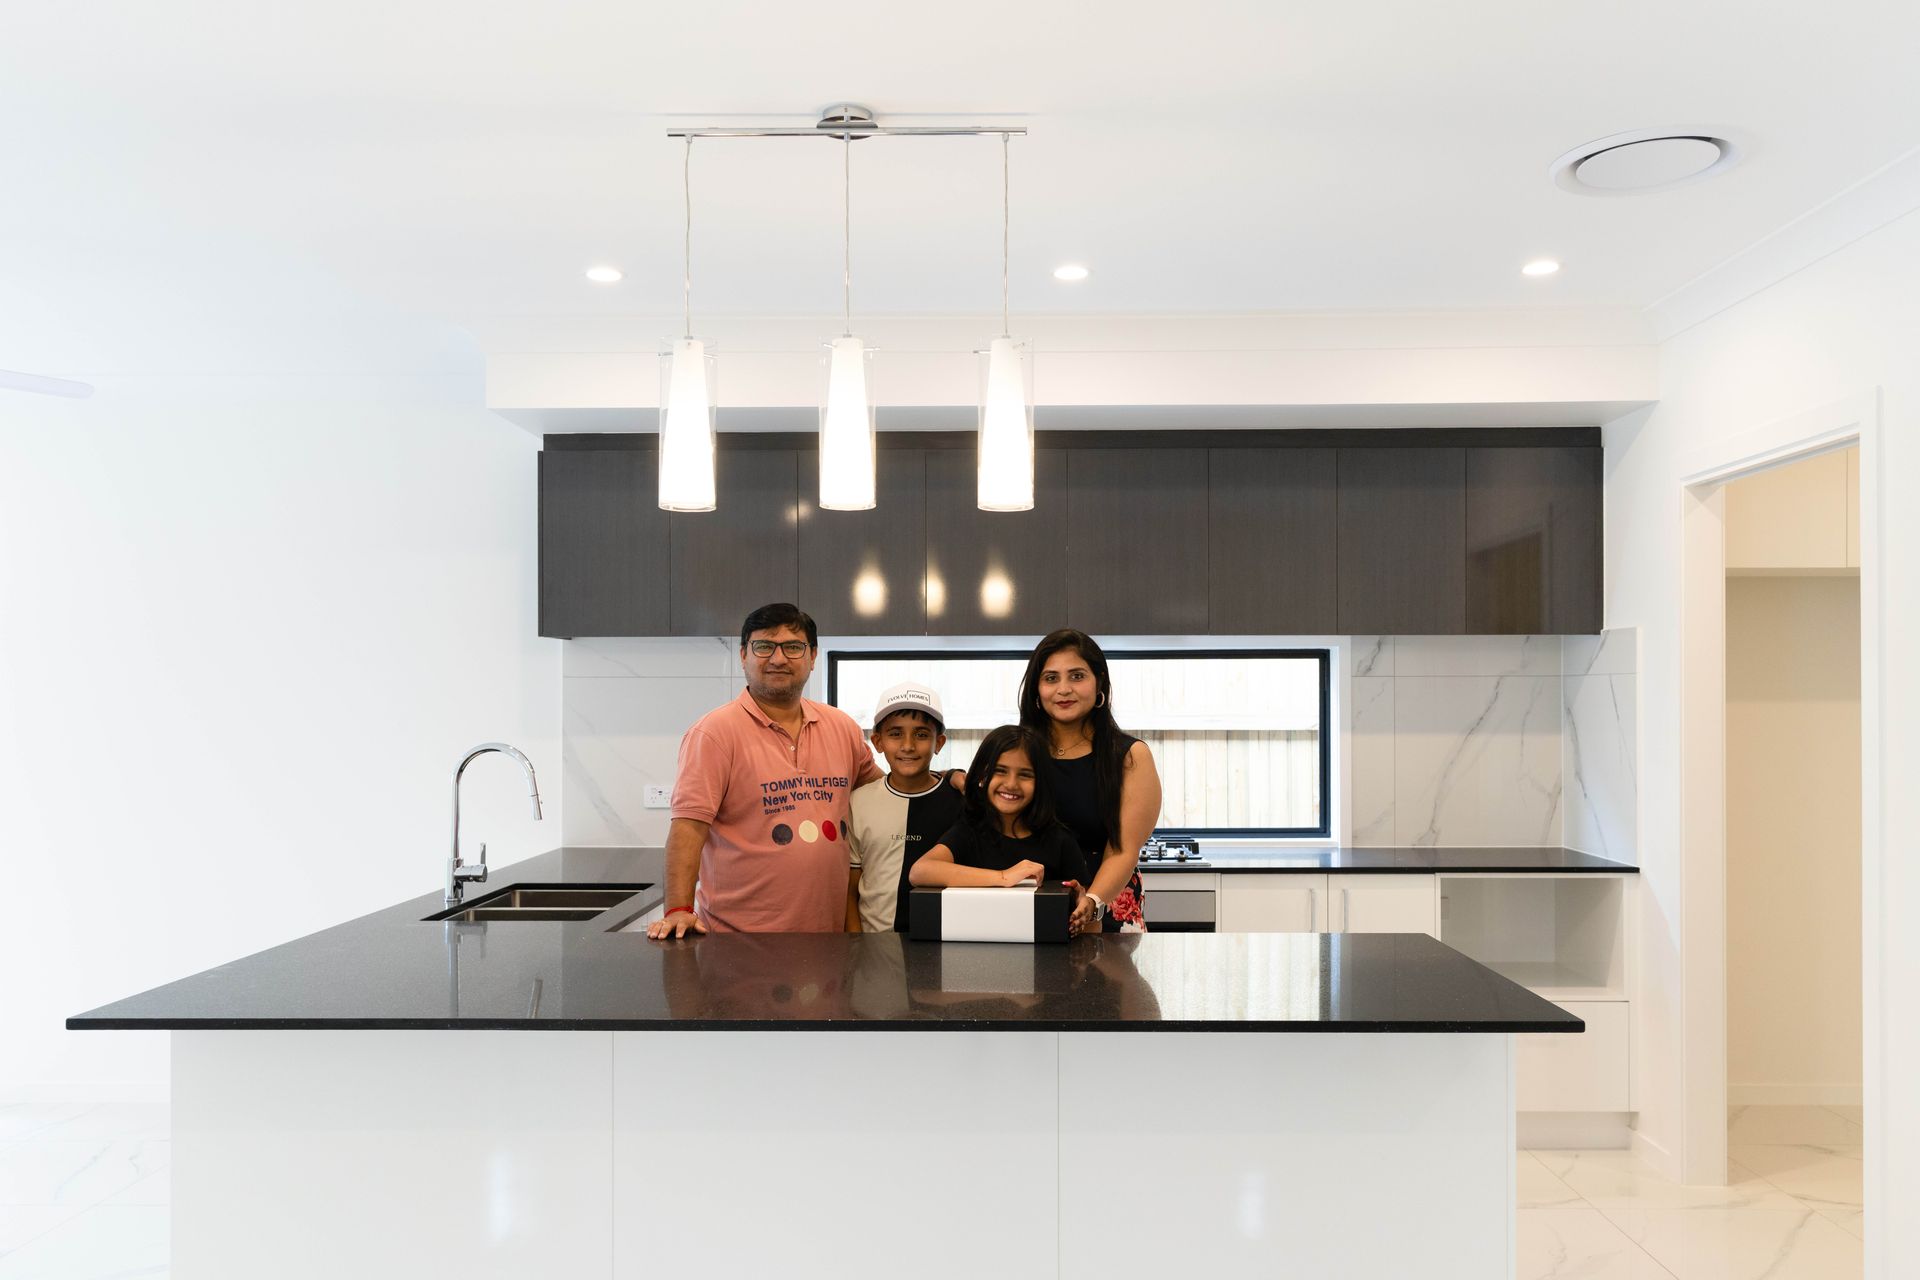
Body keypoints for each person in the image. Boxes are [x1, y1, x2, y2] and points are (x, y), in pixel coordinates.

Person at [646, 603, 881, 938]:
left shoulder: (841, 727)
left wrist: (950, 780)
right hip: (737, 941)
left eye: (793, 647)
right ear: (744, 655)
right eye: (764, 646)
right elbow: (688, 830)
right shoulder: (714, 733)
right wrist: (679, 910)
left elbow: (884, 793)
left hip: (828, 938)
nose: (779, 658)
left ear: (813, 657)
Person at [1018, 629, 1161, 934]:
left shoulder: (1130, 756)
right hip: (1030, 906)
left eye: (1077, 676)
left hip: (1106, 907)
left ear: (1099, 685)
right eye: (1051, 678)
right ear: (1036, 691)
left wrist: (1093, 901)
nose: (1064, 689)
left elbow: (1123, 849)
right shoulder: (1020, 754)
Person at [844, 682, 967, 932]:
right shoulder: (858, 802)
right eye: (895, 734)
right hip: (875, 946)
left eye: (921, 735)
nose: (908, 746)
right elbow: (850, 891)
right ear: (877, 741)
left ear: (939, 742)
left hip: (946, 942)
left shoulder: (961, 802)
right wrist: (857, 947)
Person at [908, 724, 1090, 891]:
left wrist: (1085, 909)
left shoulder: (1060, 842)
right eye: (999, 771)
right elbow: (919, 872)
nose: (1011, 784)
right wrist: (1003, 877)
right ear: (981, 775)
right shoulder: (969, 831)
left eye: (1025, 775)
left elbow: (1092, 922)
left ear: (1041, 783)